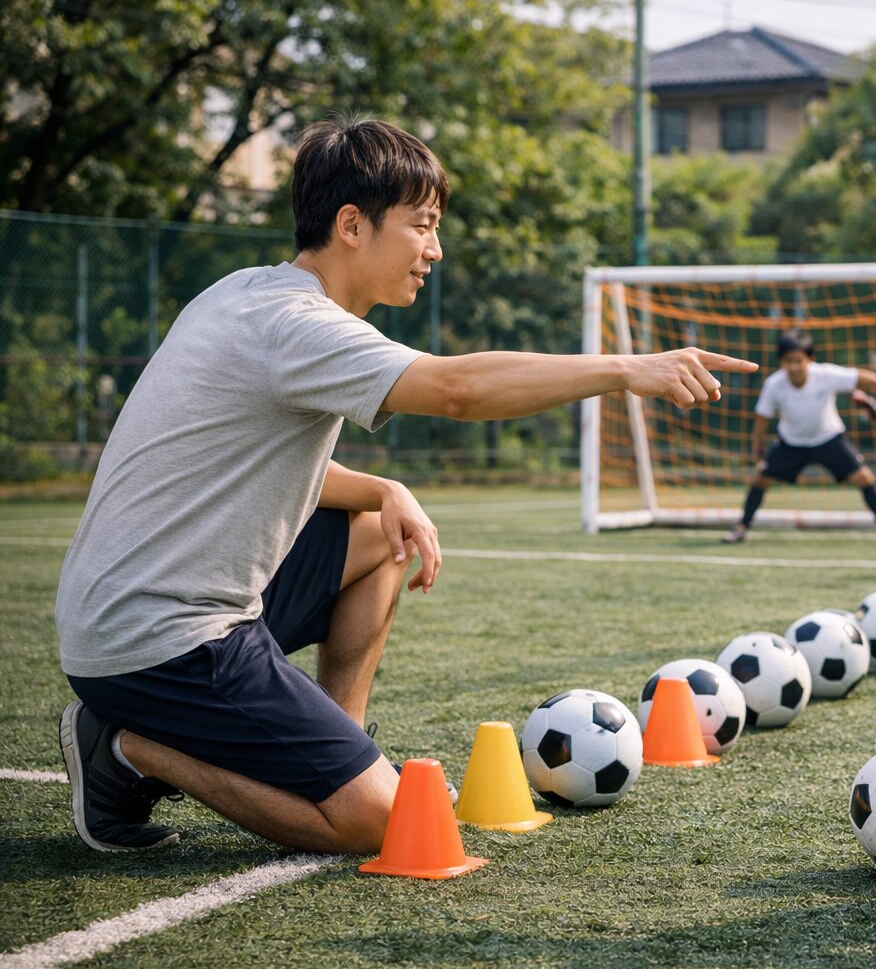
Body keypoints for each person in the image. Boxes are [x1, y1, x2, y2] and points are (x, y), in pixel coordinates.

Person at [55, 118, 754, 855]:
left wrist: (381, 486)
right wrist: (621, 369)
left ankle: (339, 741)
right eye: (422, 226)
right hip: (157, 639)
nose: (435, 249)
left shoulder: (248, 296)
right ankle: (128, 748)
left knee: (377, 539)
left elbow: (238, 463)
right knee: (386, 824)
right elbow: (456, 389)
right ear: (352, 225)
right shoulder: (297, 325)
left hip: (136, 608)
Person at [722, 329, 876, 544]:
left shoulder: (825, 375)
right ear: (781, 362)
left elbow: (859, 376)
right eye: (787, 361)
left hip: (829, 438)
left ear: (810, 359)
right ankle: (741, 528)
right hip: (791, 443)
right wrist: (757, 451)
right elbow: (761, 420)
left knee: (865, 478)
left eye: (798, 360)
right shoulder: (774, 384)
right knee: (760, 481)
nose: (793, 367)